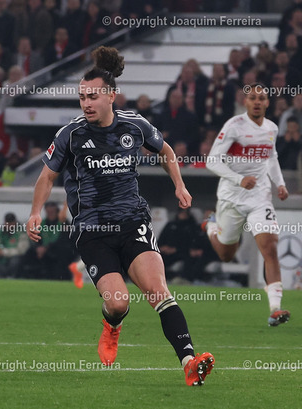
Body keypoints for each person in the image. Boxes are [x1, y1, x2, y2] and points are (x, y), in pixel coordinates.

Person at [26, 46, 214, 386]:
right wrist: (35, 212)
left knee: (158, 291)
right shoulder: (71, 134)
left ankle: (189, 360)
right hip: (92, 231)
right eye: (82, 97)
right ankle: (112, 325)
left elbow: (166, 151)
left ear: (111, 96)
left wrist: (180, 186)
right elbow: (47, 176)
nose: (86, 104)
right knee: (117, 303)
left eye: (93, 96)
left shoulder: (135, 125)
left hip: (133, 223)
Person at [203, 83, 291, 327]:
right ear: (246, 102)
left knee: (270, 247)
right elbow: (212, 160)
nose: (257, 102)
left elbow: (271, 157)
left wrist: (280, 184)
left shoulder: (272, 128)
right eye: (252, 97)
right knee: (226, 254)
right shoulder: (234, 126)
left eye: (261, 98)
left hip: (259, 197)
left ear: (267, 103)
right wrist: (239, 179)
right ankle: (210, 226)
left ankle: (275, 309)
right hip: (232, 197)